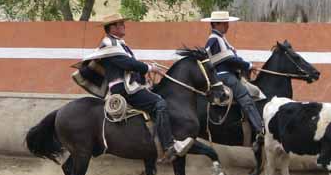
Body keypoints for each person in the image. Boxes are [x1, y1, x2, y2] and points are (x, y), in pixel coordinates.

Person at [92, 13, 193, 161]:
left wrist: (144, 76)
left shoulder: (118, 43)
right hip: (123, 88)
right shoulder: (110, 45)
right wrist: (149, 68)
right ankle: (169, 146)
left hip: (128, 85)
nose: (123, 26)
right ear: (112, 28)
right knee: (160, 103)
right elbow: (128, 64)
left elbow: (129, 67)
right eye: (120, 24)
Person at [203, 10, 263, 133]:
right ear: (216, 24)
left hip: (221, 75)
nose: (227, 26)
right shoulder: (215, 40)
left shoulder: (218, 39)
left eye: (227, 23)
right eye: (225, 23)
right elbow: (230, 60)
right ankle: (260, 129)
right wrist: (249, 65)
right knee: (245, 97)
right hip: (224, 76)